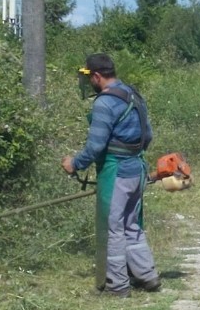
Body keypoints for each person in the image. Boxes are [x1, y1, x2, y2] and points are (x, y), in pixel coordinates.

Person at [61, 53, 160, 296]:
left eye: (89, 77)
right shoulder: (133, 94)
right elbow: (147, 135)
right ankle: (147, 276)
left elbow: (95, 147)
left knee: (113, 227)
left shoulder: (104, 103)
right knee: (131, 225)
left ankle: (117, 285)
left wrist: (75, 164)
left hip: (116, 171)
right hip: (137, 169)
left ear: (96, 76)